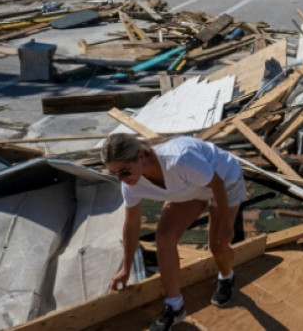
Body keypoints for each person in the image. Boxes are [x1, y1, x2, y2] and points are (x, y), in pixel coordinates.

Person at [102, 134, 245, 331]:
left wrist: (227, 225)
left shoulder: (179, 159)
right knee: (164, 237)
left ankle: (227, 276)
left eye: (124, 172)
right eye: (114, 174)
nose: (121, 179)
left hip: (224, 181)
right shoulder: (129, 184)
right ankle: (174, 306)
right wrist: (126, 268)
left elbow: (217, 184)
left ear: (141, 156)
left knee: (218, 245)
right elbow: (132, 224)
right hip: (190, 188)